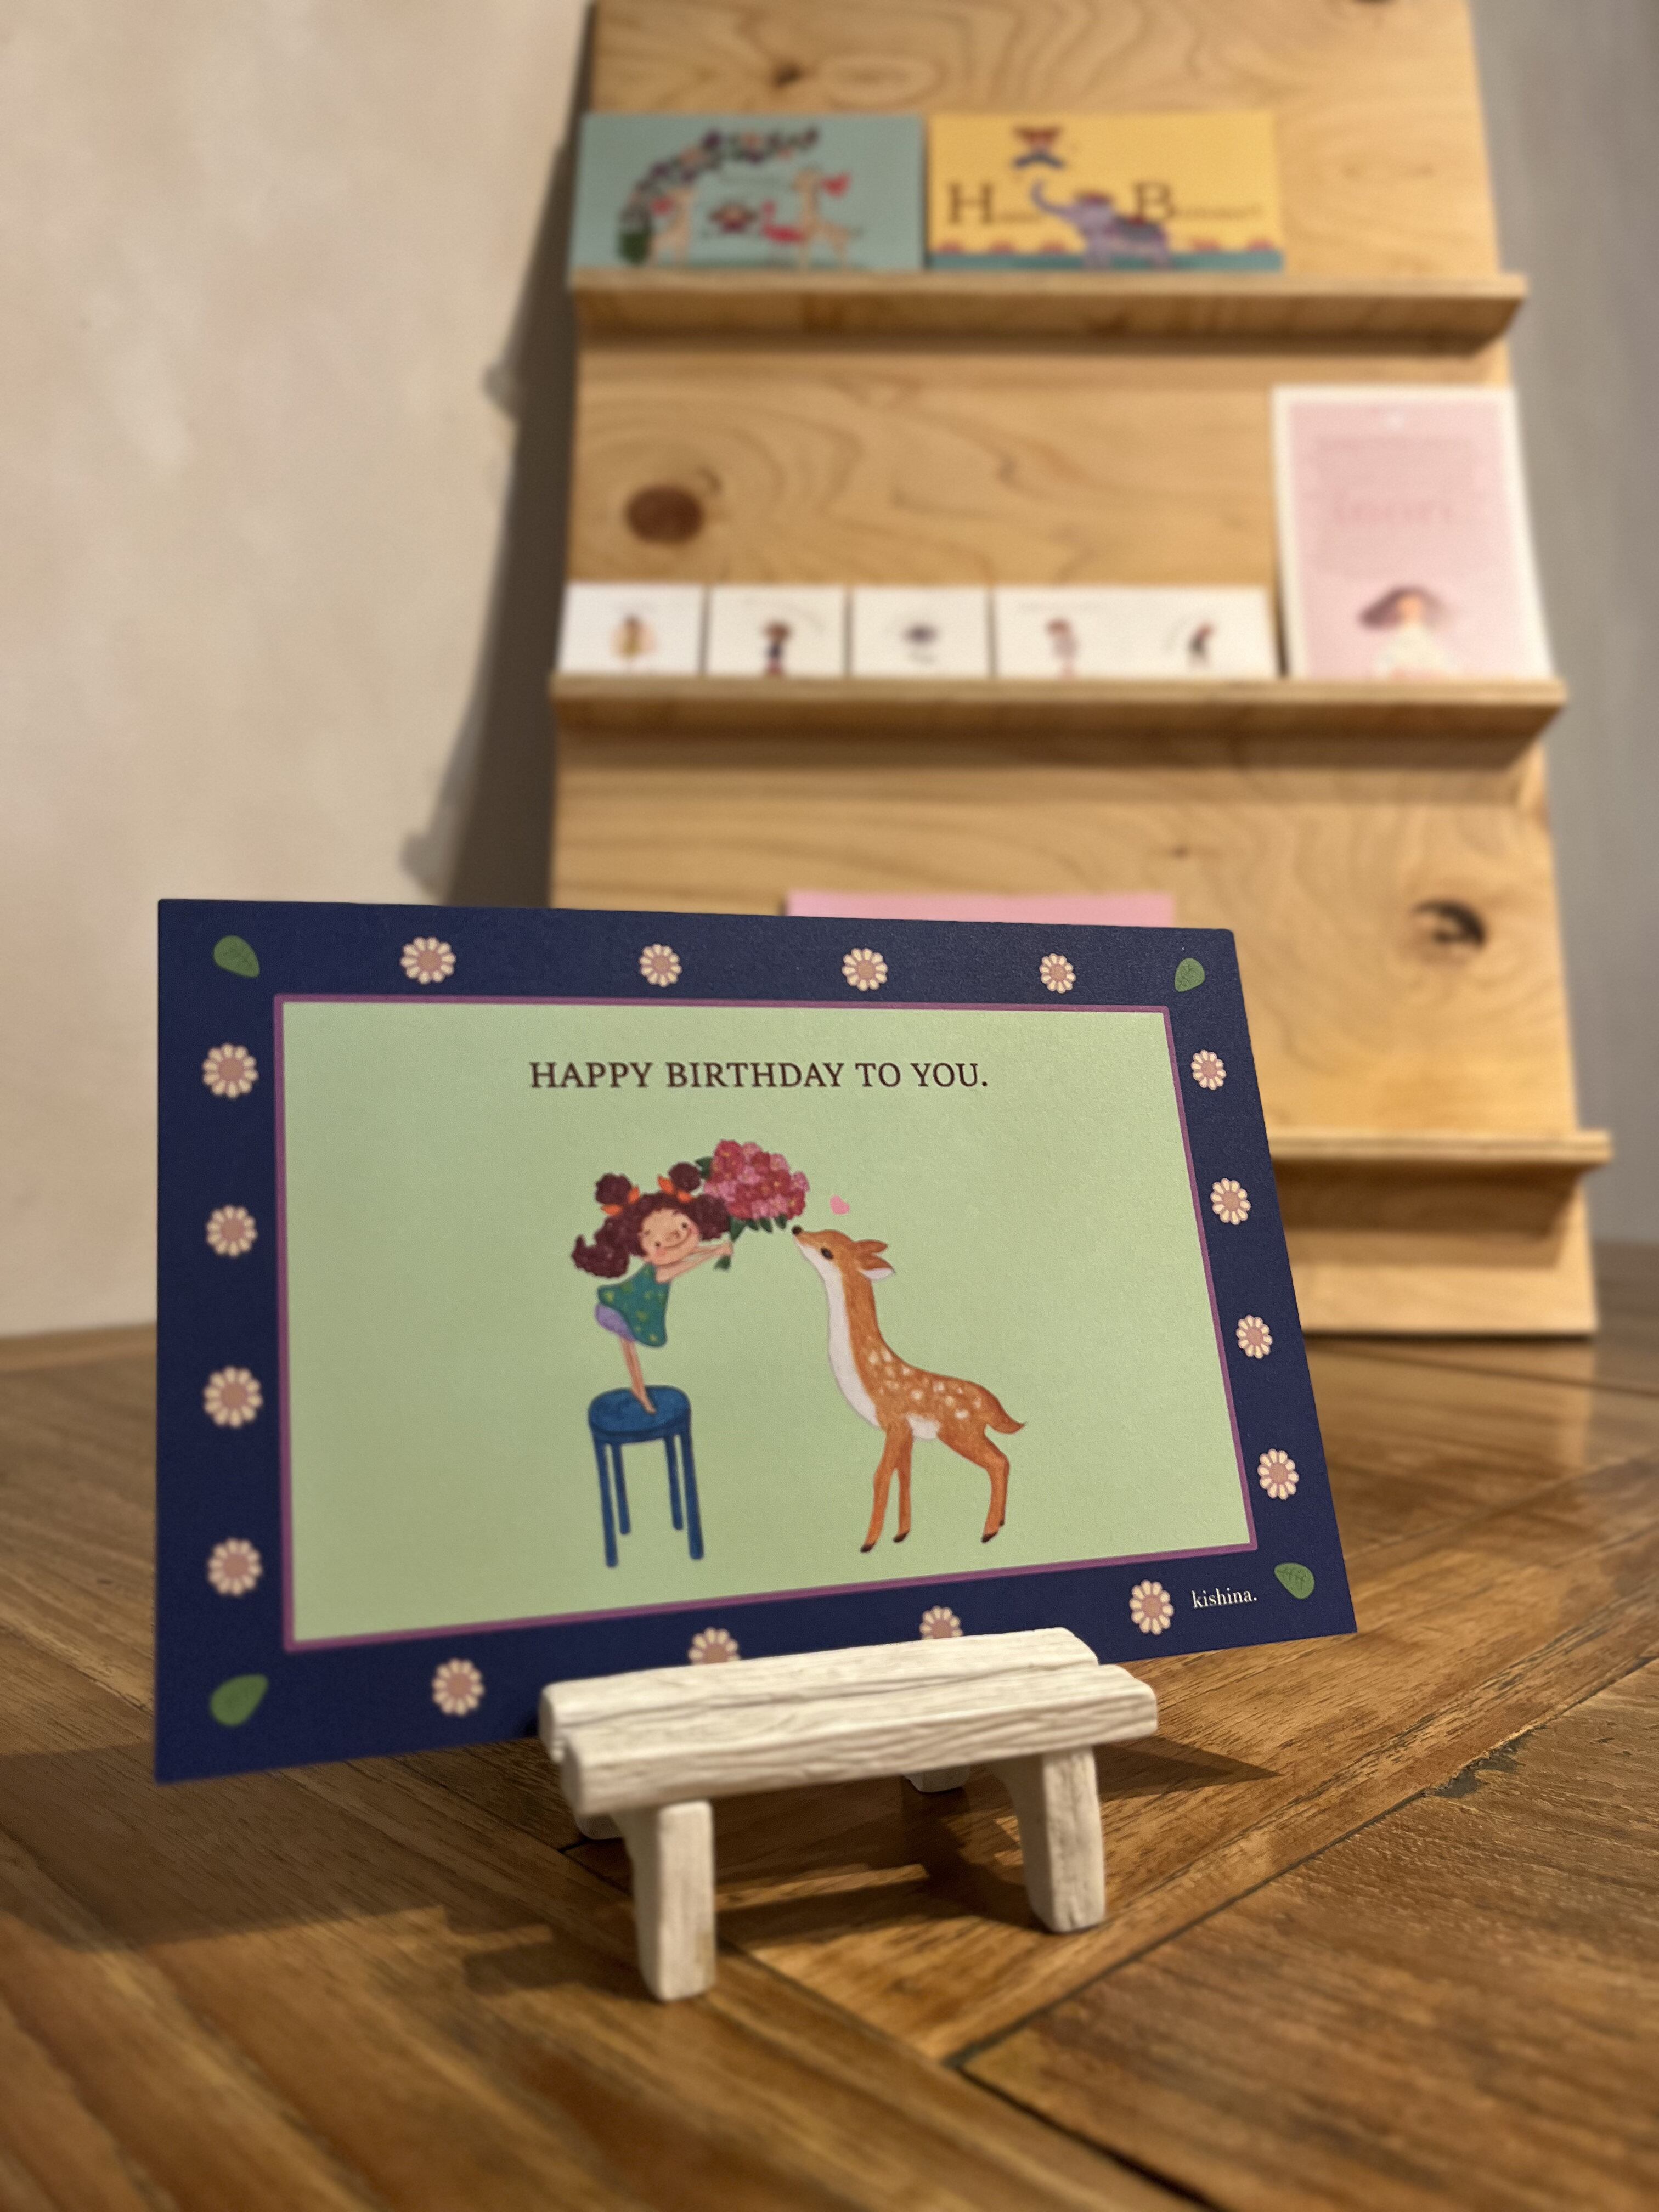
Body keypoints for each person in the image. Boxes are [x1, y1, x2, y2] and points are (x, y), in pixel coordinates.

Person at [572, 1165, 732, 1412]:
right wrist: (714, 1253)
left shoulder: (666, 1259)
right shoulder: (659, 1272)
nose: (675, 1238)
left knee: (629, 1346)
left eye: (683, 1226)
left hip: (632, 1306)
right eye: (657, 1243)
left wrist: (714, 1249)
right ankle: (639, 1389)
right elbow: (681, 1265)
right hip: (623, 1308)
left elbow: (685, 1251)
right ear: (643, 1254)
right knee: (629, 1346)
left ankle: (639, 1388)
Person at [1360, 585, 1457, 678]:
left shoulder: (1429, 638)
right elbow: (1381, 669)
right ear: (1398, 609)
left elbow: (1448, 668)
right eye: (1407, 607)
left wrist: (1432, 674)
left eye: (1415, 606)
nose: (1411, 610)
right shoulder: (1394, 639)